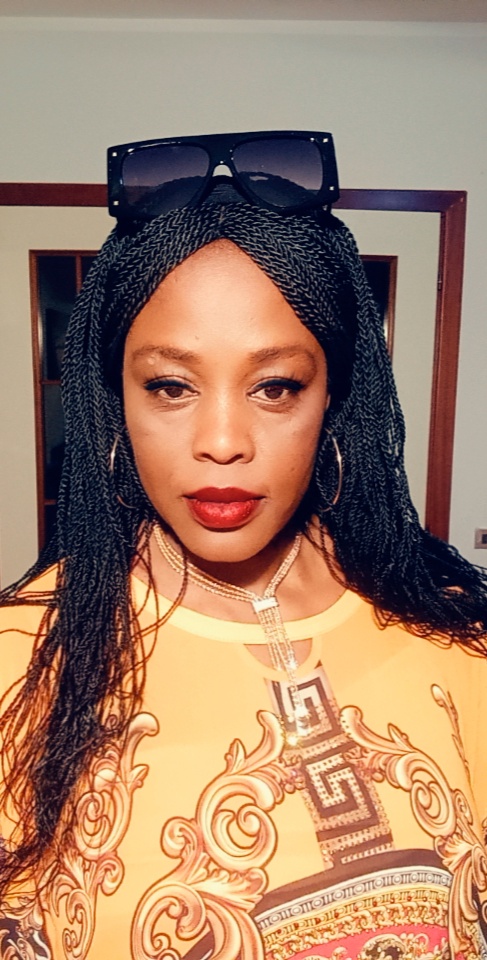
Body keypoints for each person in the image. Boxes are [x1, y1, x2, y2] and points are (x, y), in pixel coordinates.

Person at [0, 131, 487, 960]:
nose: (222, 442)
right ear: (115, 400)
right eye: (170, 385)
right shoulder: (20, 657)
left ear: (331, 398)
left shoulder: (457, 640)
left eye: (274, 386)